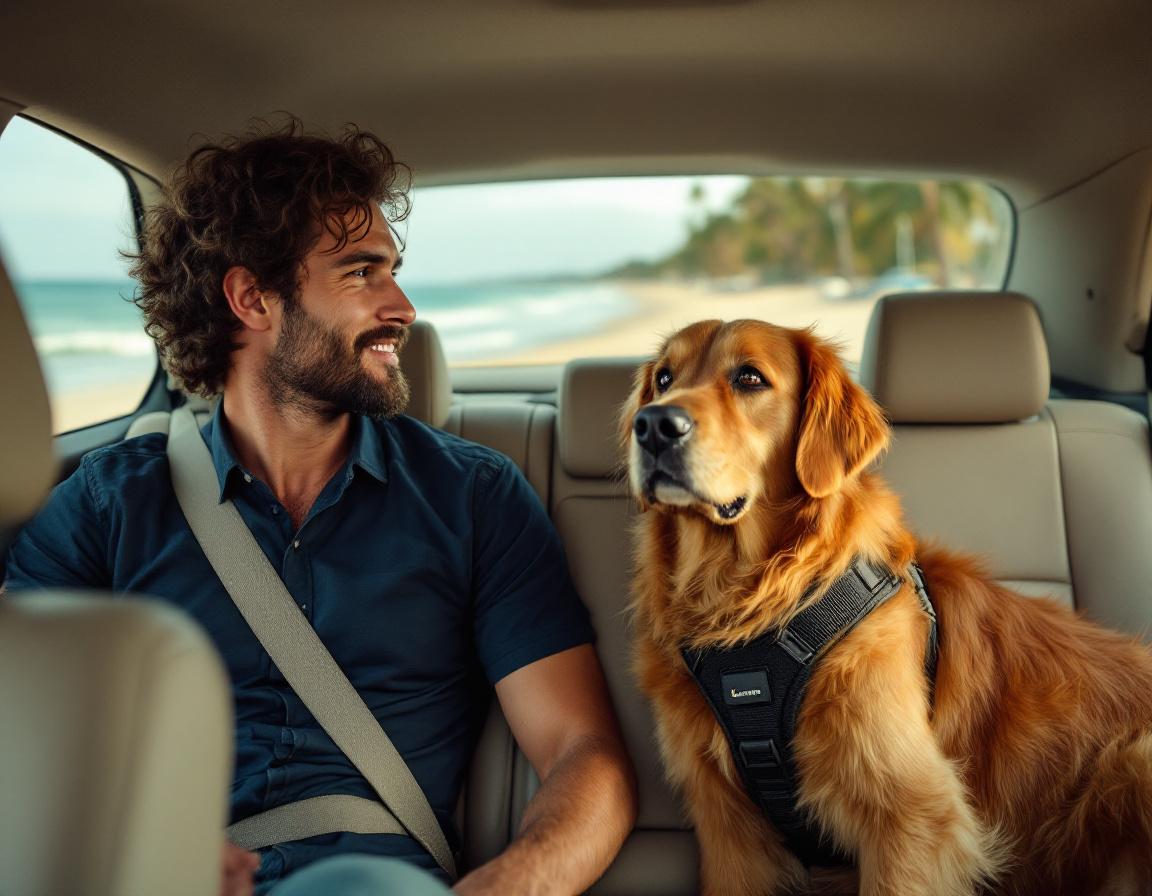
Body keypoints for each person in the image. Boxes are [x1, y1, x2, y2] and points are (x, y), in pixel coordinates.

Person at [3, 119, 637, 895]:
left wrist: (512, 884)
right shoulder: (105, 507)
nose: (401, 305)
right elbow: (21, 742)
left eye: (392, 271)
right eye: (361, 273)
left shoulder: (472, 497)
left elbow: (585, 754)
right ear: (252, 298)